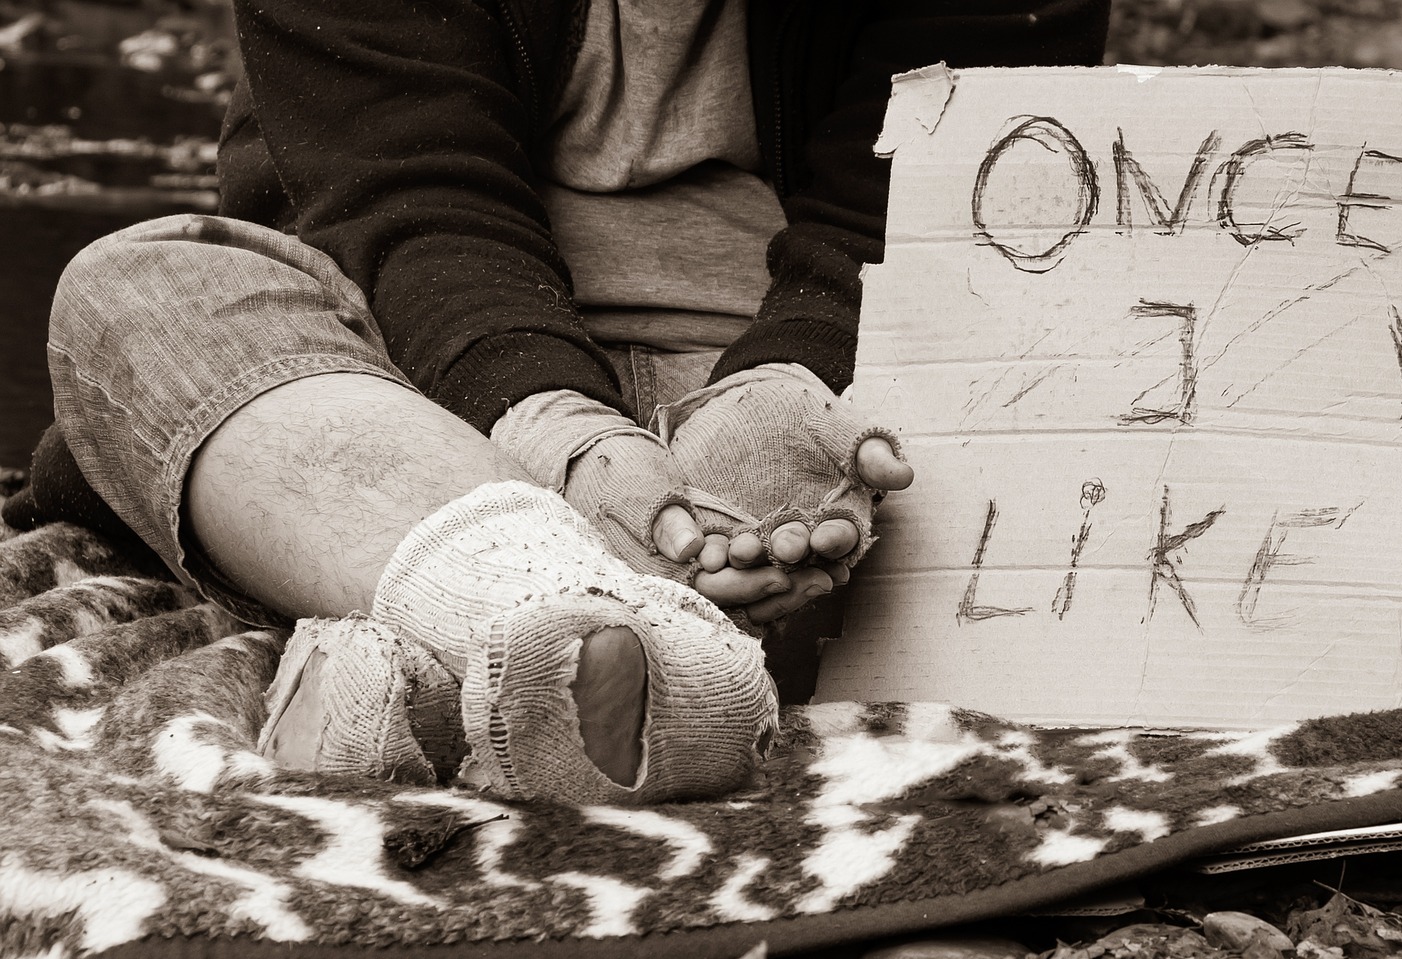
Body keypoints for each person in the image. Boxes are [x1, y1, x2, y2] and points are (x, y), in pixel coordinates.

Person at [1, 0, 1114, 804]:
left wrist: (779, 409)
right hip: (415, 388)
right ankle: (599, 622)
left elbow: (916, 217)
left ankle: (488, 640)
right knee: (139, 290)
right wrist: (567, 438)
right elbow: (409, 202)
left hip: (768, 397)